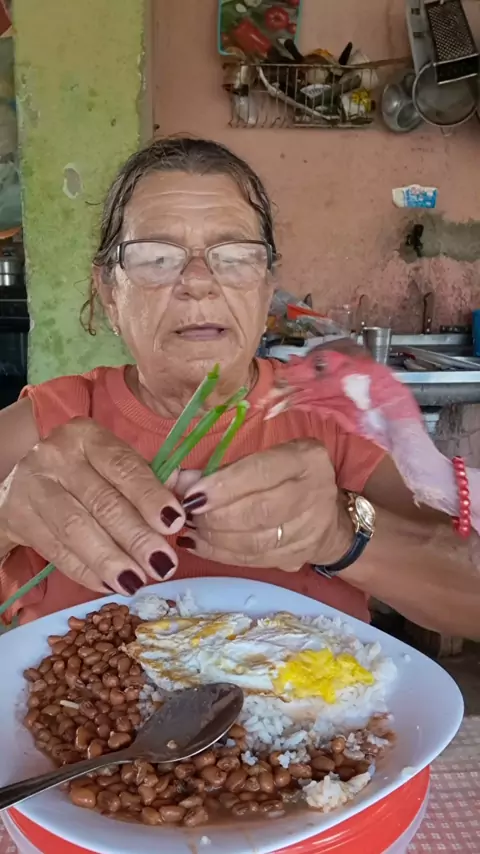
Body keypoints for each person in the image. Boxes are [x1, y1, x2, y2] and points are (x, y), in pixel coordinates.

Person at [0, 137, 478, 637]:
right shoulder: (50, 423)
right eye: (156, 258)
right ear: (109, 293)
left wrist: (342, 535)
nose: (198, 281)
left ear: (267, 288)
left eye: (234, 257)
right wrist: (6, 522)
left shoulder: (330, 420)